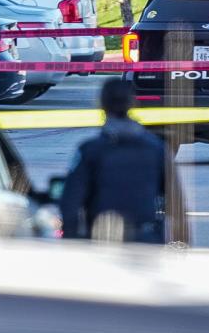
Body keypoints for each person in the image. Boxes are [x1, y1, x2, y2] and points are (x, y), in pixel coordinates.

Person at [59, 78, 166, 243]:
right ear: (133, 103)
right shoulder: (156, 148)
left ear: (101, 104)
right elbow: (176, 200)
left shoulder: (90, 151)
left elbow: (71, 203)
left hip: (102, 240)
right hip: (146, 239)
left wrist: (71, 240)